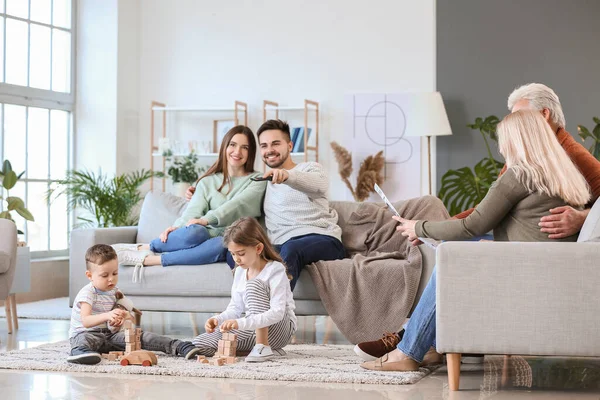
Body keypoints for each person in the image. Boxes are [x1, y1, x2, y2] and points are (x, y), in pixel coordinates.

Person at [355, 82, 600, 362]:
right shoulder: (557, 165)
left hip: (527, 261)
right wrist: (435, 230)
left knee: (450, 258)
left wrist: (582, 218)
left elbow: (476, 223)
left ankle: (409, 348)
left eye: (516, 122)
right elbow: (486, 213)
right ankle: (427, 339)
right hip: (543, 257)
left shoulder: (539, 165)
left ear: (539, 118)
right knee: (452, 244)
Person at [188, 119, 346, 290]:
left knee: (291, 248)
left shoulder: (310, 168)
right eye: (264, 146)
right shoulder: (262, 182)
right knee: (236, 250)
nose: (269, 150)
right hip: (280, 245)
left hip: (322, 239)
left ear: (290, 146)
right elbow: (237, 202)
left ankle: (274, 313)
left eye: (275, 144)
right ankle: (248, 306)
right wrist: (195, 193)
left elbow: (319, 184)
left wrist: (287, 176)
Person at [114, 125, 267, 276]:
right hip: (203, 235)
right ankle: (145, 247)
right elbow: (193, 211)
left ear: (251, 152)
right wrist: (177, 227)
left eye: (245, 147)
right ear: (224, 147)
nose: (237, 151)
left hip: (230, 238)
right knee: (195, 231)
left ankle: (150, 260)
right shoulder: (207, 182)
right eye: (232, 145)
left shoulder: (258, 180)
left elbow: (238, 205)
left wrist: (207, 220)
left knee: (223, 244)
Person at [68, 244, 200, 365]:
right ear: (89, 275)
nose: (111, 279)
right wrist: (108, 315)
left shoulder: (114, 291)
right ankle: (81, 352)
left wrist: (123, 317)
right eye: (104, 275)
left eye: (115, 273)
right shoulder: (87, 293)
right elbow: (86, 321)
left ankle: (178, 346)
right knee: (84, 339)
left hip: (109, 335)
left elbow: (129, 318)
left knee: (139, 336)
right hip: (87, 334)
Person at [191, 217, 296, 362]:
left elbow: (277, 313)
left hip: (279, 329)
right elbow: (235, 308)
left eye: (241, 254)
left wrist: (240, 323)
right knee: (198, 344)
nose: (236, 259)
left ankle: (263, 346)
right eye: (232, 254)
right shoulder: (240, 271)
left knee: (255, 284)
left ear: (258, 248)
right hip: (253, 326)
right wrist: (218, 319)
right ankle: (263, 350)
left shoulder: (274, 270)